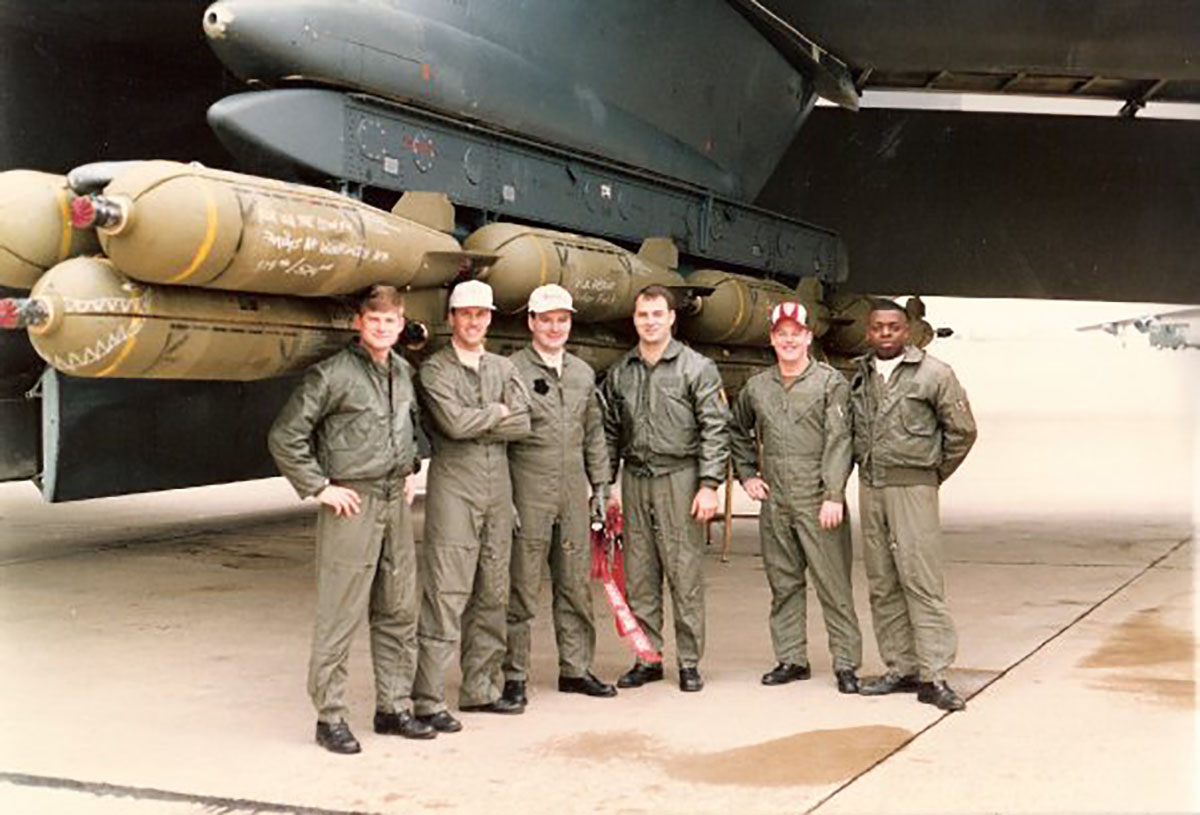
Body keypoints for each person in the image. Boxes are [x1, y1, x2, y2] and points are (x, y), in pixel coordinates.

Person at [268, 284, 432, 754]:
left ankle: (393, 707)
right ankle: (331, 716)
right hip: (353, 503)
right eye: (373, 320)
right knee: (340, 612)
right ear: (359, 323)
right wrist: (320, 487)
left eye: (390, 321)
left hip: (393, 500)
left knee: (398, 609)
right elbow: (286, 435)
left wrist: (409, 469)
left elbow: (406, 428)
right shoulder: (332, 375)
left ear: (401, 325)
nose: (381, 328)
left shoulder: (403, 371)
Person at [412, 279, 531, 733]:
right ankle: (427, 700)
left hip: (498, 488)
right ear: (452, 318)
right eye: (466, 314)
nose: (474, 321)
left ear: (490, 318)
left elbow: (524, 423)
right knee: (446, 593)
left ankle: (481, 689)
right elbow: (454, 426)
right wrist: (497, 412)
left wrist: (486, 419)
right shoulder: (435, 370)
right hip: (455, 488)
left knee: (493, 592)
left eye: (482, 314)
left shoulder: (503, 366)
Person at [850, 298, 977, 711]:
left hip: (913, 488)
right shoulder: (860, 374)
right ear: (868, 331)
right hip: (872, 487)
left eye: (893, 327)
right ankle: (900, 668)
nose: (885, 333)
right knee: (882, 582)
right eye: (878, 327)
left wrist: (931, 475)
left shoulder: (935, 374)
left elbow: (962, 431)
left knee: (921, 581)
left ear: (906, 331)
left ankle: (934, 675)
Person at [602, 284, 730, 692]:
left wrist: (709, 484)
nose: (650, 321)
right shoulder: (622, 371)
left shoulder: (697, 368)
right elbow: (609, 432)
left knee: (683, 571)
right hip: (636, 478)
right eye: (643, 315)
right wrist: (606, 485)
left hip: (681, 477)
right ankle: (648, 657)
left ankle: (689, 662)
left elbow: (715, 428)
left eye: (658, 314)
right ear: (634, 319)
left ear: (672, 318)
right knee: (640, 574)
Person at [730, 301, 863, 694]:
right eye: (781, 334)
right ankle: (791, 659)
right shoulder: (758, 387)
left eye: (796, 333)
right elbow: (736, 429)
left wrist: (833, 494)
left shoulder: (830, 383)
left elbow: (840, 441)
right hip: (776, 498)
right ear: (772, 339)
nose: (789, 340)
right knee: (784, 584)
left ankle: (846, 663)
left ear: (808, 336)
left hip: (817, 496)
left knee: (833, 585)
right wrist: (747, 474)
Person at [499, 284, 616, 708]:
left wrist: (601, 486)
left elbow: (594, 433)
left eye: (562, 320)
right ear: (531, 322)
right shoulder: (509, 370)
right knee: (520, 587)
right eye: (546, 320)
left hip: (571, 491)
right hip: (527, 487)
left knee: (575, 585)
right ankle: (513, 675)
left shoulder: (582, 373)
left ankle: (576, 669)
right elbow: (498, 440)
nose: (554, 328)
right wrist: (504, 499)